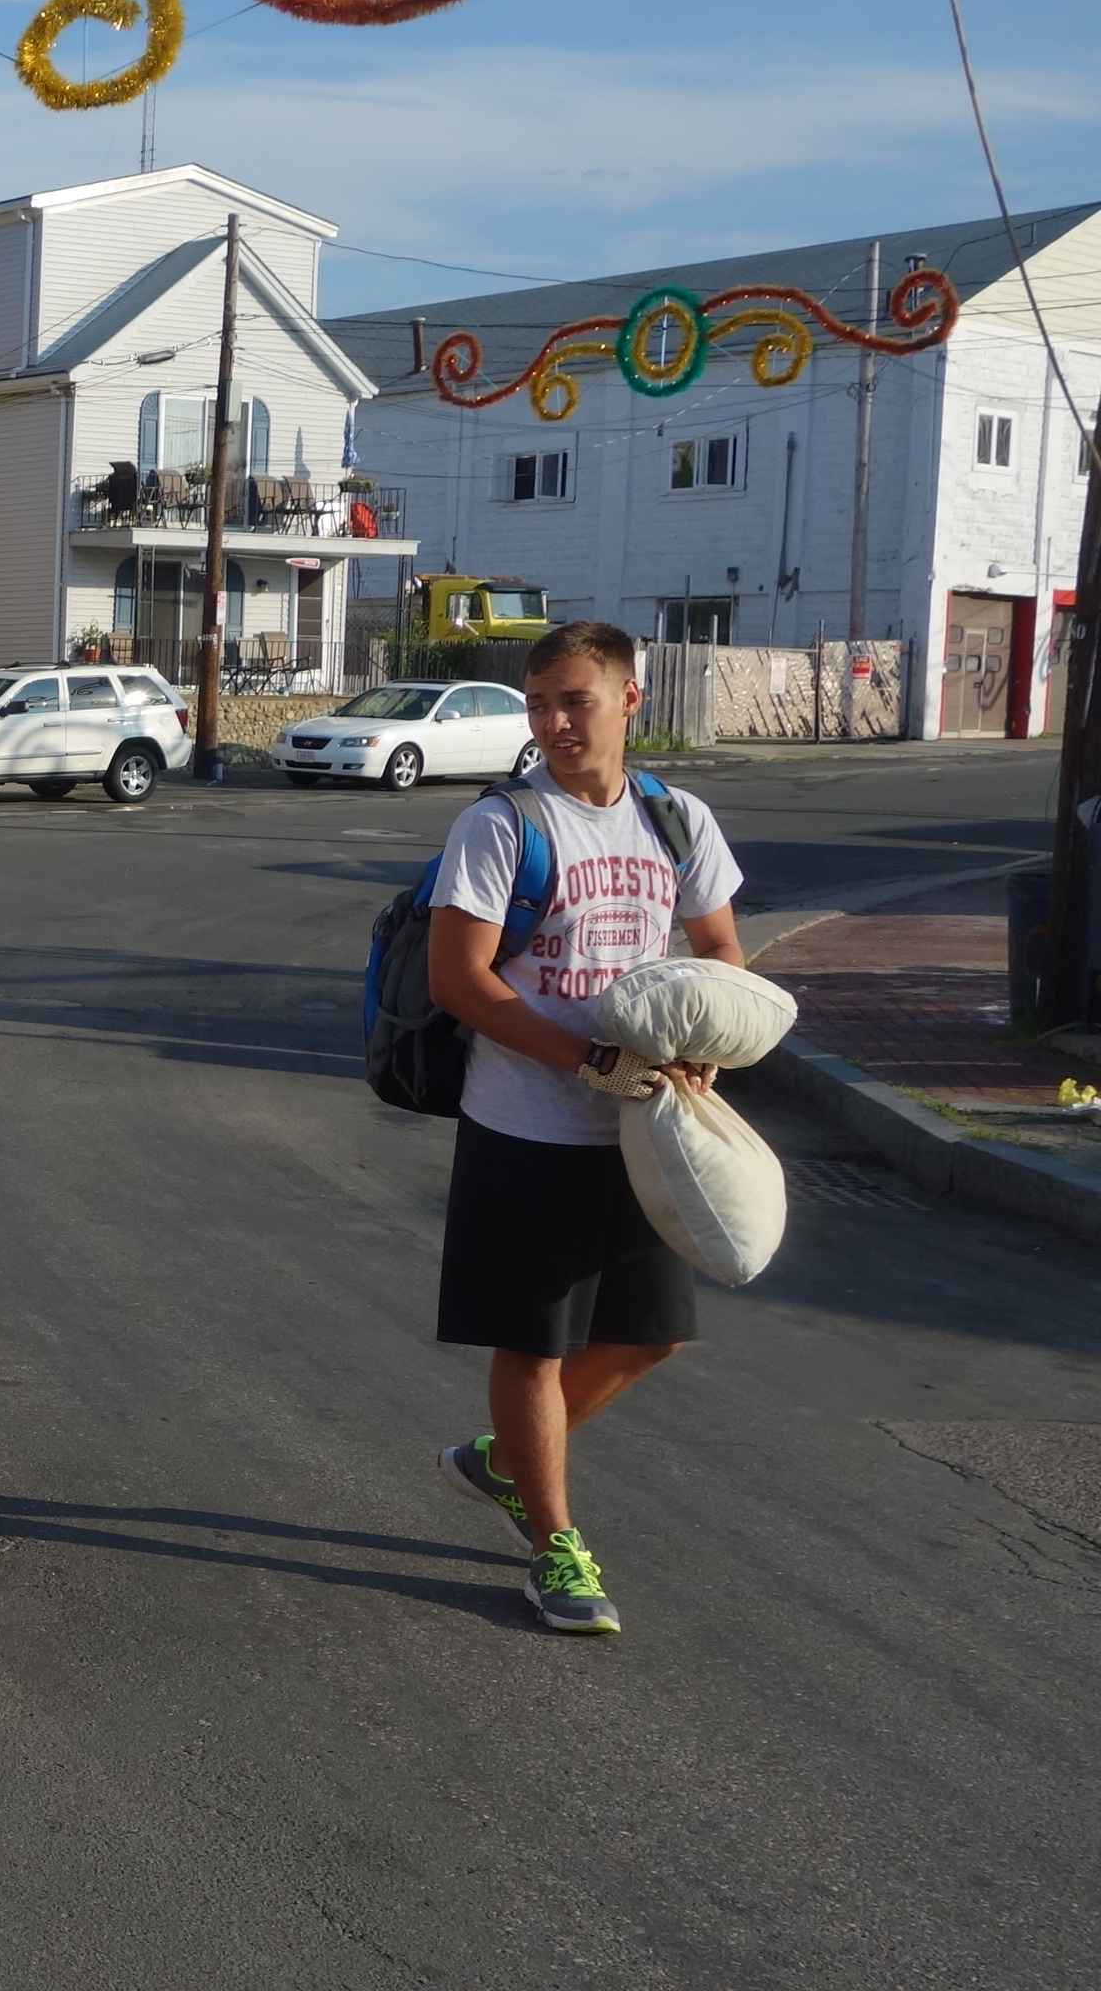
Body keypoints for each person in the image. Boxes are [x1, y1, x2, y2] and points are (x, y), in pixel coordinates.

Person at [425, 618, 742, 1636]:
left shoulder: (678, 819)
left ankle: (505, 1462)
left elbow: (720, 950)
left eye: (576, 701)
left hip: (644, 1129)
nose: (556, 722)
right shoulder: (502, 825)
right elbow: (458, 979)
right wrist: (588, 1060)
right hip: (526, 1124)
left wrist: (705, 1039)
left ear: (629, 699)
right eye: (539, 704)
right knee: (535, 1344)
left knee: (652, 1335)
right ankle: (554, 1545)